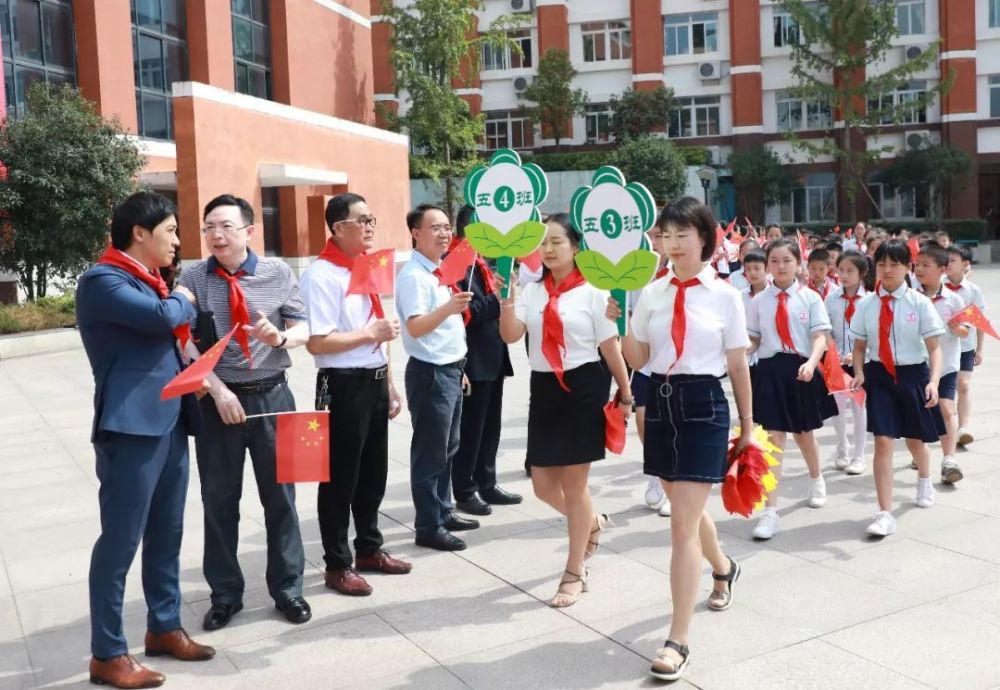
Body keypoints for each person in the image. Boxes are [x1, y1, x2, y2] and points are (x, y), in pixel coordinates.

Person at [611, 197, 753, 682]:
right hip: (661, 404)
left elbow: (736, 365)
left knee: (679, 525)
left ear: (705, 238)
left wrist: (749, 427)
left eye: (682, 235)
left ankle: (678, 640)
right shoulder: (650, 293)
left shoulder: (726, 295)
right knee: (685, 508)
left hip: (704, 406)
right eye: (665, 236)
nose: (672, 245)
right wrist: (617, 323)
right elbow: (639, 355)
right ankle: (724, 566)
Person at [77, 192, 215, 688]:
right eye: (172, 231)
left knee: (167, 533)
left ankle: (164, 627)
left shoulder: (154, 284)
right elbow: (164, 319)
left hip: (171, 419)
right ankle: (107, 654)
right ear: (140, 232)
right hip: (130, 427)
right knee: (119, 542)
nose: (179, 241)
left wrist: (178, 301)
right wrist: (185, 299)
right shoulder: (102, 280)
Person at [178, 194, 312, 630]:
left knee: (283, 499)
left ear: (249, 232)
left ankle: (288, 589)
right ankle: (225, 595)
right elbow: (184, 341)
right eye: (209, 227)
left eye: (226, 227)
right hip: (219, 401)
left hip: (274, 396)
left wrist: (280, 339)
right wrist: (215, 390)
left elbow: (303, 326)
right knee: (219, 500)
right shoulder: (194, 276)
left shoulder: (276, 272)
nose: (216, 235)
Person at [499, 213, 632, 608]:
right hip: (545, 389)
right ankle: (589, 522)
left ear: (575, 247)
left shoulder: (593, 291)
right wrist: (506, 297)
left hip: (585, 388)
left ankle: (574, 571)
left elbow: (610, 347)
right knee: (542, 485)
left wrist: (625, 394)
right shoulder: (530, 290)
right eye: (543, 243)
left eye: (557, 241)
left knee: (575, 485)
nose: (549, 249)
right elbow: (510, 334)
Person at [299, 193, 413, 597]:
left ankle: (370, 548)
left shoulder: (363, 268)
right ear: (337, 227)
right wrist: (370, 335)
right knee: (339, 479)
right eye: (361, 220)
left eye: (371, 219)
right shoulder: (322, 274)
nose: (369, 227)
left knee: (373, 474)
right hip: (342, 385)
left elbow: (377, 329)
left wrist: (389, 382)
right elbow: (318, 342)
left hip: (373, 379)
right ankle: (337, 564)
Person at [396, 204, 479, 551]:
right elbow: (416, 326)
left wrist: (458, 369)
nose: (445, 234)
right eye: (435, 228)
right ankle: (428, 525)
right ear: (416, 233)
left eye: (447, 227)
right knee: (430, 452)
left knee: (448, 447)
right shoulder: (414, 276)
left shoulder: (438, 271)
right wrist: (449, 307)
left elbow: (445, 330)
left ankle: (443, 511)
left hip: (449, 370)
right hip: (430, 373)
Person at [850, 240, 946, 537]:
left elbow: (934, 349)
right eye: (882, 264)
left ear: (908, 267)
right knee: (882, 442)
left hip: (913, 375)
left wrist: (933, 381)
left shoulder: (920, 303)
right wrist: (858, 373)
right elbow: (859, 346)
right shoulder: (866, 305)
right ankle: (884, 512)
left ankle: (924, 479)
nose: (887, 270)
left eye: (894, 264)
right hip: (879, 378)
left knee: (916, 440)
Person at [746, 238, 837, 540]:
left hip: (802, 370)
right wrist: (740, 351)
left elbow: (820, 337)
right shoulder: (758, 302)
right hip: (770, 371)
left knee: (804, 435)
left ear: (798, 263)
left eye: (786, 260)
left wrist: (812, 362)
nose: (780, 266)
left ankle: (816, 477)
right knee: (773, 441)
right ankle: (770, 512)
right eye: (775, 261)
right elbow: (755, 338)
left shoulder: (810, 298)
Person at [448, 205, 522, 516]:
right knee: (471, 430)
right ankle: (465, 489)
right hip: (473, 360)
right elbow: (469, 311)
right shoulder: (456, 264)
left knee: (490, 427)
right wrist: (499, 298)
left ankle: (487, 481)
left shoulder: (481, 262)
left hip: (493, 356)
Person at [914, 242, 968, 484]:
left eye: (926, 265)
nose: (919, 270)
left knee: (947, 407)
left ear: (942, 269)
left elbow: (967, 329)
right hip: (917, 365)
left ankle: (949, 459)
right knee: (923, 411)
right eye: (917, 265)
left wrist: (959, 330)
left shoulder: (953, 300)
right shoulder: (910, 297)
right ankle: (920, 450)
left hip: (946, 365)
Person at [632, 225, 671, 517]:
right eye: (654, 236)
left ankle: (671, 481)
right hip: (644, 362)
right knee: (644, 419)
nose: (657, 242)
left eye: (662, 236)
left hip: (673, 362)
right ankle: (654, 471)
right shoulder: (636, 273)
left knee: (671, 424)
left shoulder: (680, 273)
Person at [825, 251, 869, 475]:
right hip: (836, 361)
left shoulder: (870, 299)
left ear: (862, 273)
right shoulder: (831, 298)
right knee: (837, 407)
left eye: (850, 270)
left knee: (859, 408)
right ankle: (842, 446)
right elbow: (825, 328)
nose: (844, 275)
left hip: (861, 361)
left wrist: (857, 353)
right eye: (841, 270)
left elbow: (875, 331)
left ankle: (859, 455)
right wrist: (833, 349)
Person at [945, 245, 987, 448]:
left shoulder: (973, 291)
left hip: (965, 347)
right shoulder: (938, 287)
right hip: (943, 347)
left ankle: (963, 427)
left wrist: (980, 348)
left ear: (965, 265)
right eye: (947, 259)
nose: (948, 263)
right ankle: (945, 426)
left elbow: (980, 321)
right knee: (942, 390)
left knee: (963, 385)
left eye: (953, 260)